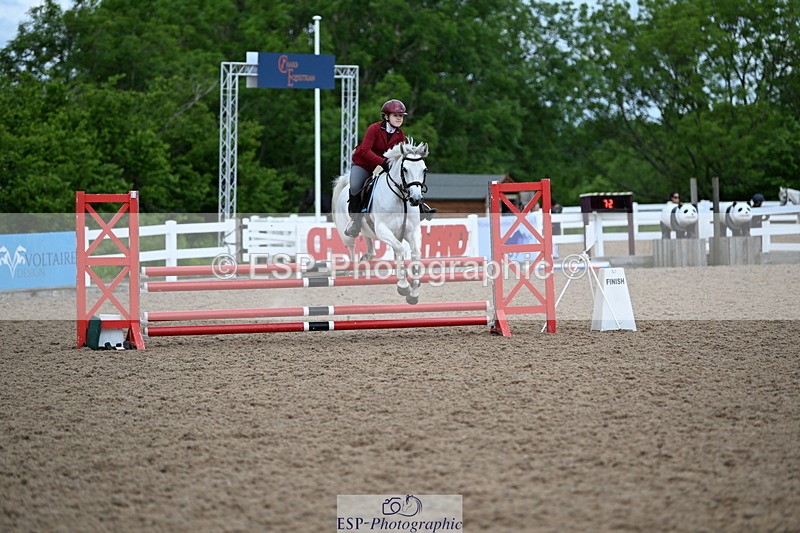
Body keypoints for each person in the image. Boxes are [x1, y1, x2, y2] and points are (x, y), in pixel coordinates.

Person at [344, 99, 436, 237]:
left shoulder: (400, 135)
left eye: (401, 116)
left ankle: (420, 206)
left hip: (384, 165)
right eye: (395, 115)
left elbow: (401, 157)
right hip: (364, 164)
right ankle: (355, 221)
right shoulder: (374, 129)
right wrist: (382, 162)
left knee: (405, 181)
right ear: (386, 116)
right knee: (356, 186)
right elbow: (365, 150)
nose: (399, 118)